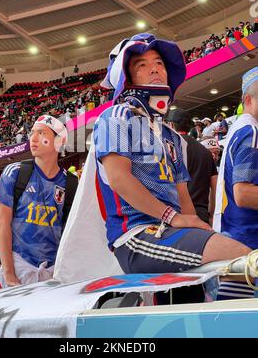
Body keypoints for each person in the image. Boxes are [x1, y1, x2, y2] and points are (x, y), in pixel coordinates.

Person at [94, 33, 250, 280]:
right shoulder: (116, 117)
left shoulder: (171, 135)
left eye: (159, 63)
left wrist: (200, 228)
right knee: (241, 256)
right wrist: (172, 217)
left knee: (234, 258)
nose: (154, 69)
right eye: (142, 65)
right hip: (137, 234)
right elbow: (118, 179)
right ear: (128, 78)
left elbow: (182, 195)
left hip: (170, 231)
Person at [0, 115, 68, 287]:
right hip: (19, 266)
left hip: (55, 271)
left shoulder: (70, 182)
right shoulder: (14, 172)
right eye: (32, 133)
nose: (33, 138)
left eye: (41, 133)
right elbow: (2, 225)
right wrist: (9, 273)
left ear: (58, 141)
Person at [213, 67, 258, 299]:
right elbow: (243, 193)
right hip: (249, 240)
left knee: (232, 311)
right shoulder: (251, 131)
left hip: (236, 235)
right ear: (248, 100)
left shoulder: (240, 129)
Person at [166, 108, 218, 225]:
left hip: (177, 217)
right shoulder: (205, 152)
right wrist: (212, 216)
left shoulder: (168, 148)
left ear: (170, 125)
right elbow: (215, 188)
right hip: (202, 215)